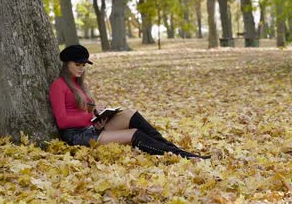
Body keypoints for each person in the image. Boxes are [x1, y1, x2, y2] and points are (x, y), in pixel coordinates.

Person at [49, 44, 210, 159]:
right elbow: (62, 122)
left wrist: (97, 114)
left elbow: (84, 112)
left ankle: (174, 149)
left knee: (129, 114)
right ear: (66, 64)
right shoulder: (58, 86)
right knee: (133, 134)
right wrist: (89, 120)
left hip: (89, 128)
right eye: (77, 65)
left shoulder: (82, 84)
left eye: (83, 65)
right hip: (76, 136)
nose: (81, 68)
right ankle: (185, 157)